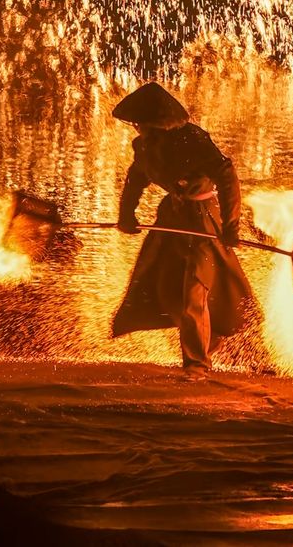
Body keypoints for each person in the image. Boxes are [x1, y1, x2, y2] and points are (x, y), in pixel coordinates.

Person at [111, 82, 253, 375]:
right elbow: (136, 177)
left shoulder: (194, 140)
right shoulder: (146, 146)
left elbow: (227, 177)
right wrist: (126, 214)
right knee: (167, 288)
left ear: (156, 123)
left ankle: (197, 364)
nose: (137, 128)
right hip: (171, 221)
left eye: (141, 123)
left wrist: (231, 225)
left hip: (202, 221)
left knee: (194, 292)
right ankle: (205, 341)